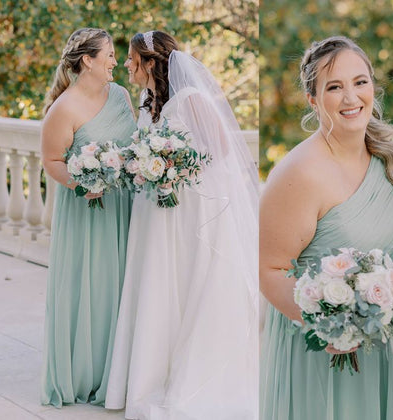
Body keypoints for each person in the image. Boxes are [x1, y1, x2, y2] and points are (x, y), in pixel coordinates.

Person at [259, 36, 393, 420]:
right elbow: (269, 269)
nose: (351, 98)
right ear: (313, 100)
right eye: (334, 87)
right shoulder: (299, 174)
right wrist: (332, 325)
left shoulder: (389, 155)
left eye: (359, 82)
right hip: (331, 356)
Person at [104, 31, 259, 419]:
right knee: (157, 284)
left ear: (151, 62)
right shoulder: (147, 101)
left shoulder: (190, 98)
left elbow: (221, 148)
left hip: (186, 207)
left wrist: (172, 168)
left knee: (186, 282)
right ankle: (150, 372)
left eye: (132, 59)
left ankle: (187, 374)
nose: (126, 65)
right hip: (153, 211)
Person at [40, 28, 136, 407]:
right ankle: (82, 373)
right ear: (88, 61)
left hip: (122, 206)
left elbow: (133, 144)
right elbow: (52, 162)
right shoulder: (63, 108)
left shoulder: (121, 95)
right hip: (86, 211)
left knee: (120, 285)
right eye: (110, 55)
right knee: (89, 286)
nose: (115, 62)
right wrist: (83, 185)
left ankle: (115, 372)